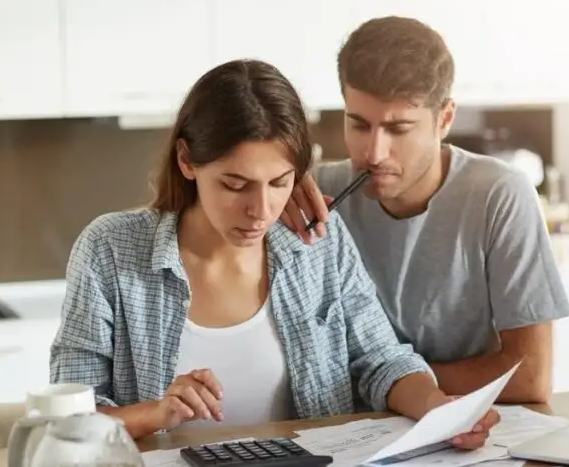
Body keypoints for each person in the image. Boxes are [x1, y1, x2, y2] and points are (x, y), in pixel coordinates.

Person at [49, 58, 500, 447]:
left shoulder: (317, 243)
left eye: (280, 183)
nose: (260, 211)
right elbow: (67, 421)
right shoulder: (110, 250)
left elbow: (383, 360)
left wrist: (438, 408)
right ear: (188, 162)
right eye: (235, 184)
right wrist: (154, 413)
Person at [280, 17, 569, 404]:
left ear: (445, 119)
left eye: (399, 129)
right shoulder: (317, 195)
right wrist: (273, 193)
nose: (373, 153)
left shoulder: (499, 195)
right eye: (359, 124)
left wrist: (385, 383)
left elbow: (530, 377)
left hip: (457, 429)